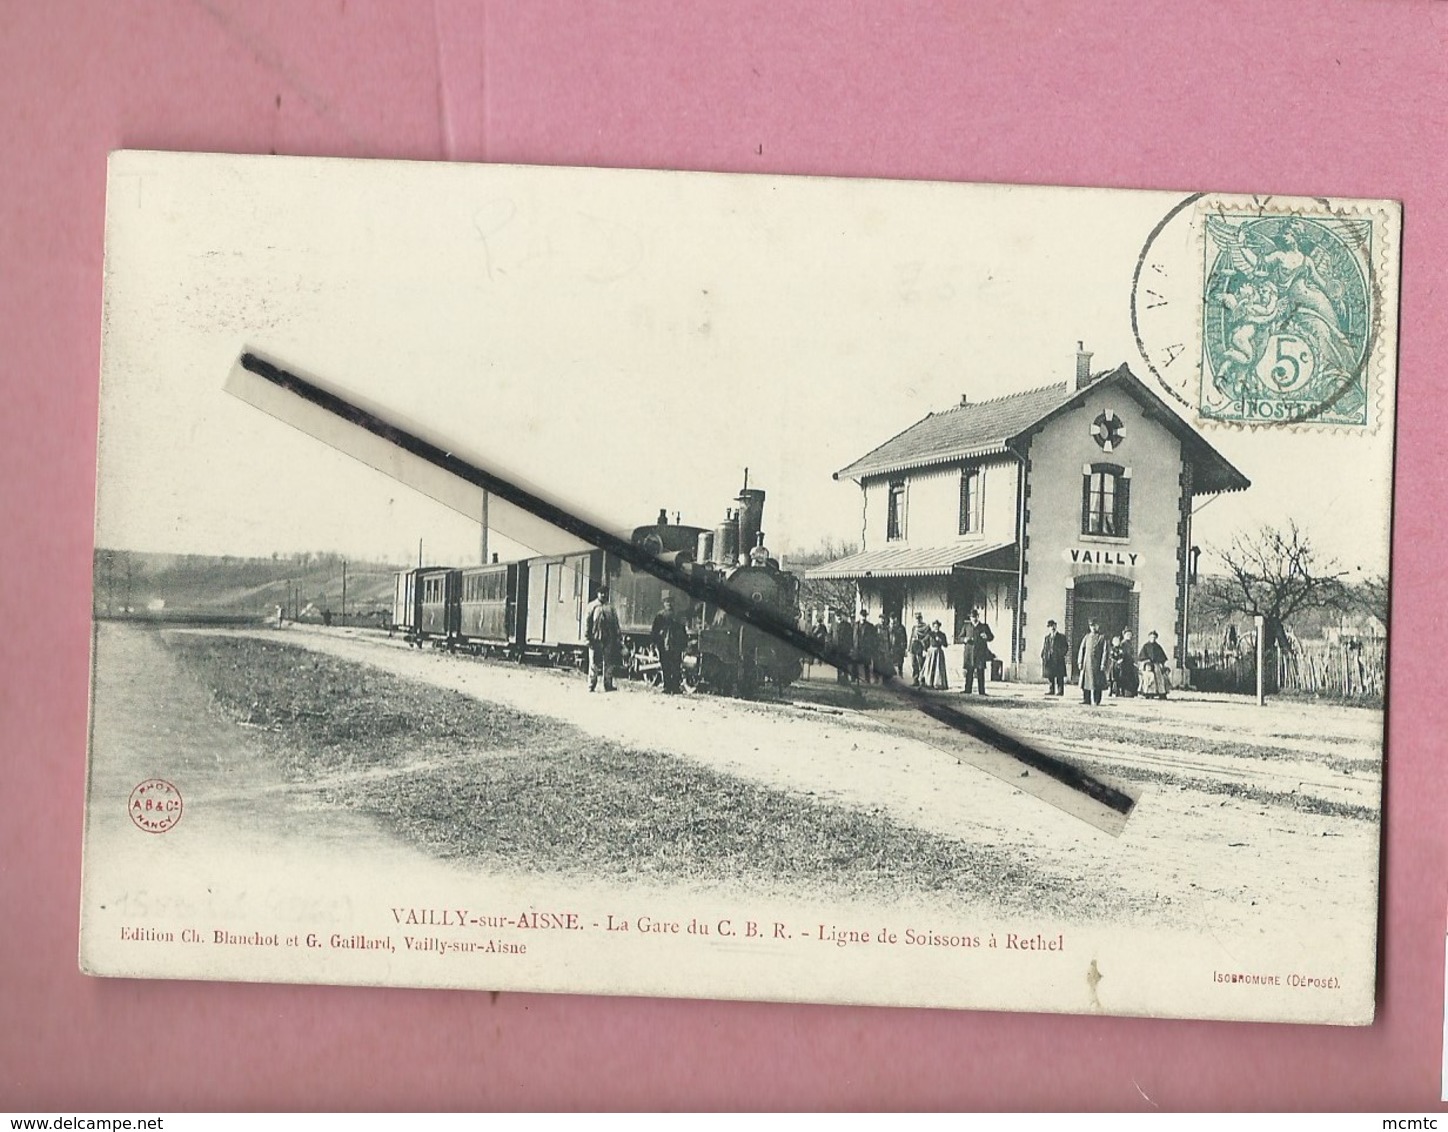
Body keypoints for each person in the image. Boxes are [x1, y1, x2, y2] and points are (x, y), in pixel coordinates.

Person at [584, 585, 621, 692]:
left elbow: (615, 623)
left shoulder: (610, 608)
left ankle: (608, 685)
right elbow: (586, 623)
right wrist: (587, 638)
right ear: (597, 594)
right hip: (595, 639)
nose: (603, 595)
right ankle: (591, 685)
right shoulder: (592, 606)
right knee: (594, 664)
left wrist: (618, 637)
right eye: (601, 593)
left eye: (605, 593)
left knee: (608, 664)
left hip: (608, 639)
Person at [650, 593, 689, 695]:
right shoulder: (661, 615)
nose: (668, 604)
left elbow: (682, 630)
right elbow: (655, 630)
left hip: (672, 644)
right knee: (668, 665)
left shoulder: (676, 615)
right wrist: (655, 642)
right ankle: (669, 686)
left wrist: (684, 643)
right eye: (667, 602)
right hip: (664, 643)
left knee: (673, 665)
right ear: (664, 603)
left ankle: (672, 686)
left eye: (670, 601)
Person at [961, 608, 994, 695]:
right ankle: (967, 690)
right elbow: (960, 637)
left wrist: (986, 636)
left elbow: (991, 637)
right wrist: (965, 639)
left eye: (975, 617)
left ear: (978, 617)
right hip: (969, 652)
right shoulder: (966, 626)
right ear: (970, 618)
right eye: (972, 617)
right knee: (969, 671)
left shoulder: (984, 626)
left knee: (980, 671)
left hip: (980, 652)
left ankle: (981, 691)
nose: (973, 619)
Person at [1078, 619, 1109, 706]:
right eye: (1091, 626)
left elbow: (1105, 651)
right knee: (1086, 682)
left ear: (1098, 626)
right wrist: (1080, 661)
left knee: (1096, 683)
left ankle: (1096, 700)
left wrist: (1103, 664)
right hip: (1087, 663)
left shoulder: (1102, 637)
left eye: (1095, 625)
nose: (1093, 628)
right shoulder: (1087, 637)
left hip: (1097, 664)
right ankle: (1086, 699)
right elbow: (1082, 649)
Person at [1138, 630, 1171, 699]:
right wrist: (1147, 661)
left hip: (1156, 664)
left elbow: (1162, 657)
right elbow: (1142, 656)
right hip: (1148, 664)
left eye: (1154, 637)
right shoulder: (1146, 646)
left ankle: (1161, 692)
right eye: (1151, 637)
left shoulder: (1158, 647)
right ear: (1149, 637)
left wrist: (1161, 663)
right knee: (1148, 677)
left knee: (1159, 677)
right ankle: (1148, 692)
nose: (1153, 638)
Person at [1041, 618, 1068, 696]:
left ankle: (1060, 691)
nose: (1052, 628)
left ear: (1056, 626)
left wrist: (1061, 654)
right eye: (1050, 626)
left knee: (1060, 676)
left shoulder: (1061, 637)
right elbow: (1045, 647)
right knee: (1050, 676)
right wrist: (1043, 655)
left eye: (1053, 626)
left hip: (1058, 659)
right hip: (1050, 660)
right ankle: (1051, 690)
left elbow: (1065, 647)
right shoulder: (1047, 638)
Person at [855, 609, 879, 684]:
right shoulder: (856, 625)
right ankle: (856, 678)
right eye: (862, 616)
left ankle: (867, 679)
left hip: (866, 648)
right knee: (856, 663)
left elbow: (873, 637)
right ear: (860, 616)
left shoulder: (870, 626)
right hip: (857, 647)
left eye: (865, 616)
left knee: (866, 664)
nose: (863, 617)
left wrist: (871, 647)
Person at [831, 609, 855, 686]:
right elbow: (831, 635)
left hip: (845, 648)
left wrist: (850, 647)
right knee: (838, 663)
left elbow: (850, 637)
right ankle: (839, 678)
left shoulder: (847, 625)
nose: (838, 617)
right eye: (837, 616)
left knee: (845, 663)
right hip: (836, 647)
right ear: (835, 617)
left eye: (840, 616)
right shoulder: (833, 625)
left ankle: (845, 679)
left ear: (842, 616)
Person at [924, 620, 950, 690]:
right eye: (935, 626)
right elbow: (924, 641)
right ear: (933, 627)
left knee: (938, 668)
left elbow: (945, 645)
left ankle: (938, 683)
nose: (936, 627)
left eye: (937, 626)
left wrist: (940, 640)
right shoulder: (930, 634)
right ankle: (929, 682)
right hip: (931, 652)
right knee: (930, 667)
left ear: (939, 627)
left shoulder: (942, 634)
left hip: (939, 652)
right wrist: (925, 650)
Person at [908, 612, 931, 687]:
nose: (917, 620)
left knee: (921, 664)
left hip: (921, 646)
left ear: (921, 618)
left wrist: (925, 647)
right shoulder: (914, 627)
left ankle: (922, 681)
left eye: (919, 618)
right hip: (914, 646)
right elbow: (911, 637)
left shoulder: (926, 627)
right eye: (916, 618)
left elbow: (928, 637)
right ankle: (915, 679)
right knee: (913, 663)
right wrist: (909, 648)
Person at [886, 613, 908, 681]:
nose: (893, 620)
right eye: (891, 618)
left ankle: (900, 674)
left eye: (894, 618)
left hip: (898, 647)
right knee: (890, 661)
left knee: (900, 662)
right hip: (890, 647)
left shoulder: (901, 628)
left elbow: (904, 638)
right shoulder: (888, 628)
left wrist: (904, 647)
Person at [1117, 629, 1139, 697]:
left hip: (1130, 663)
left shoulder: (1130, 643)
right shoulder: (1123, 643)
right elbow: (1120, 653)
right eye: (1127, 635)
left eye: (1130, 635)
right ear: (1124, 635)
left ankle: (1131, 692)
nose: (1129, 636)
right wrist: (1121, 659)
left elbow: (1131, 654)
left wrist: (1134, 662)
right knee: (1124, 677)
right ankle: (1124, 692)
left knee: (1132, 677)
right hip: (1124, 663)